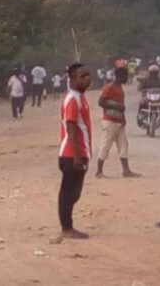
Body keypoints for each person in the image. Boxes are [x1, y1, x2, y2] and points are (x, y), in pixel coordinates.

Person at [58, 64, 93, 239]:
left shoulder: (80, 97)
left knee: (74, 193)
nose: (86, 79)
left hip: (79, 153)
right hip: (72, 154)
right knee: (68, 192)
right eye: (82, 76)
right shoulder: (73, 99)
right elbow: (71, 127)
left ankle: (67, 224)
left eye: (88, 75)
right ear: (72, 79)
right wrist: (77, 157)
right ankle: (66, 227)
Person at [96, 67, 140, 178]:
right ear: (119, 76)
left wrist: (123, 118)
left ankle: (126, 171)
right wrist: (116, 106)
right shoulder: (109, 87)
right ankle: (99, 171)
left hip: (119, 121)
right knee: (106, 145)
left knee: (123, 145)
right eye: (125, 76)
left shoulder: (119, 87)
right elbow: (101, 102)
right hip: (110, 121)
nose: (126, 78)